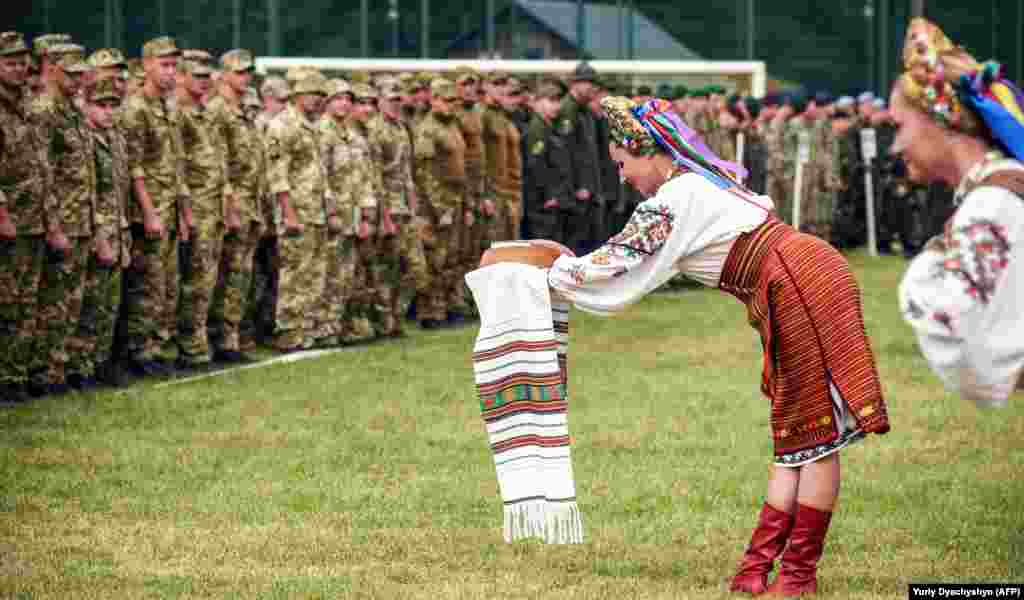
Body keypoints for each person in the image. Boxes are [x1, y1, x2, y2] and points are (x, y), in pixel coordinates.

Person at [536, 97, 890, 595]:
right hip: (802, 274)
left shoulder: (674, 200)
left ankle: (795, 575)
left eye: (622, 164)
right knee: (800, 434)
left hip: (795, 283)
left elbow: (615, 261)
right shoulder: (700, 183)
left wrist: (548, 273)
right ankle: (758, 569)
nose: (621, 177)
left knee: (814, 436)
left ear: (648, 151)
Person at [895, 18, 1024, 406]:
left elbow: (959, 347)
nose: (897, 143)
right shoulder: (1004, 188)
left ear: (942, 122)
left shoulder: (993, 204)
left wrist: (930, 260)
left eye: (900, 126)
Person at [0, 32, 51, 402]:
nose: (18, 69)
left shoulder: (29, 104)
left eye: (22, 63)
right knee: (7, 301)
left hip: (34, 218)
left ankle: (17, 374)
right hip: (9, 219)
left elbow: (41, 165)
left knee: (26, 302)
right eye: (10, 62)